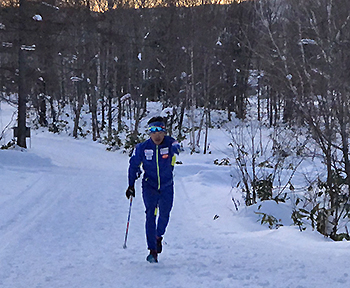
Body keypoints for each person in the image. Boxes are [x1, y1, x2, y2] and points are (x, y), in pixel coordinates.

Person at [126, 116, 181, 263]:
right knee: (150, 214)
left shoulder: (170, 143)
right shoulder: (142, 148)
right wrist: (131, 185)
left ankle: (158, 236)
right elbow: (133, 165)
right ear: (149, 132)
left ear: (164, 131)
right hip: (149, 185)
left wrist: (176, 148)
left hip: (167, 185)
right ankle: (152, 251)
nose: (157, 134)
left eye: (160, 130)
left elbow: (176, 143)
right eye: (153, 130)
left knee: (165, 214)